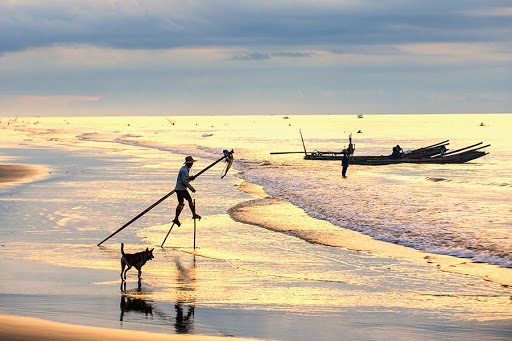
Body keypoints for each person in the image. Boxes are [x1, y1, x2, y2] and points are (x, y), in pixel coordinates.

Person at [172, 156, 201, 227]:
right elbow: (184, 181)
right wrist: (191, 188)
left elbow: (185, 179)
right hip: (182, 189)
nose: (192, 164)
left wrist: (190, 178)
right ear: (189, 163)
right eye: (191, 163)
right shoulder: (184, 170)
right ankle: (194, 214)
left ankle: (176, 218)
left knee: (181, 203)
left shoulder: (184, 169)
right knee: (189, 200)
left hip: (178, 188)